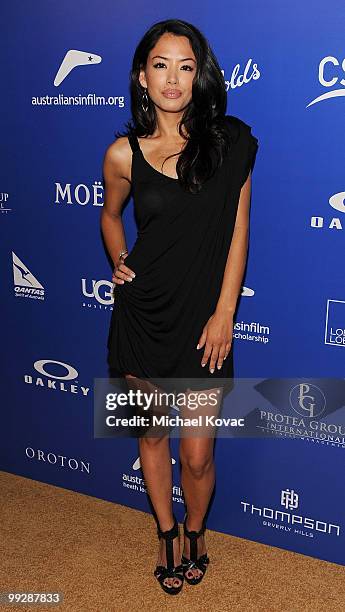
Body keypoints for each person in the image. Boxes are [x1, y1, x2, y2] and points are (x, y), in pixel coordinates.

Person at [101, 18, 258, 595]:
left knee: (196, 455)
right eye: (160, 65)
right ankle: (167, 533)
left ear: (200, 74)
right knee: (149, 437)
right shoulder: (122, 154)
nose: (173, 78)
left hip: (203, 322)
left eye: (185, 66)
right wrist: (119, 263)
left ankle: (197, 529)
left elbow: (239, 234)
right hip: (142, 317)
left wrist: (225, 314)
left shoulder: (231, 141)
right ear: (142, 77)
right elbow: (110, 216)